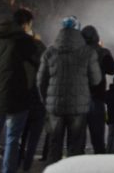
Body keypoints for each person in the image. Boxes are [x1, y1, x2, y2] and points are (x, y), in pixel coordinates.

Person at [0, 8, 40, 173]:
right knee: (12, 140)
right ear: (26, 24)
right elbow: (38, 61)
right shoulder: (25, 41)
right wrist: (35, 40)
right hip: (18, 98)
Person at [37, 16, 101, 165]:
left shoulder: (50, 52)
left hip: (54, 108)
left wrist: (46, 100)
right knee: (76, 147)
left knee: (54, 147)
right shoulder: (87, 52)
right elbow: (96, 80)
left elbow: (40, 81)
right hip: (78, 108)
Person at [80, 25, 114, 154]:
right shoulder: (103, 52)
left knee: (77, 138)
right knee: (98, 139)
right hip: (97, 98)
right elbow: (113, 70)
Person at [18, 33, 46, 172]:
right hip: (39, 104)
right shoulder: (45, 61)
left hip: (23, 102)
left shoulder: (22, 59)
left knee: (20, 137)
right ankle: (27, 168)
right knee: (33, 142)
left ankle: (16, 164)